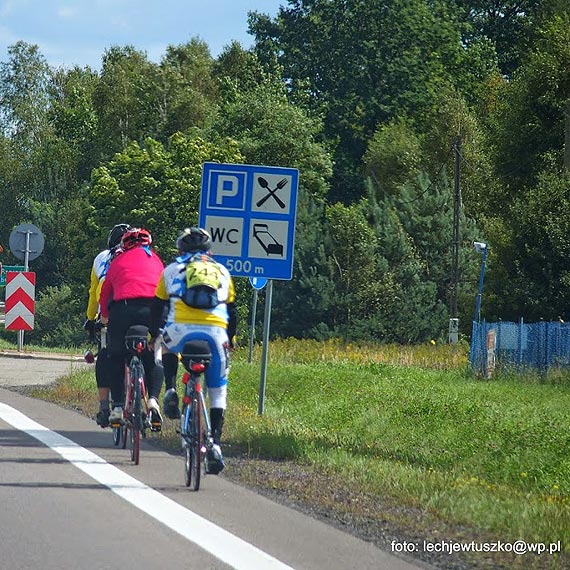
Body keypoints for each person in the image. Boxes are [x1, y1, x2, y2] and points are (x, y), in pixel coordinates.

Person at [150, 227, 237, 474]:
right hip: (215, 333)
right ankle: (216, 444)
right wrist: (229, 340)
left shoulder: (172, 269)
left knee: (164, 345)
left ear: (181, 249)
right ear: (209, 250)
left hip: (180, 331)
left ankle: (170, 388)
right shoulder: (222, 271)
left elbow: (157, 307)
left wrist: (155, 333)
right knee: (219, 390)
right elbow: (233, 313)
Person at [99, 227, 165, 430]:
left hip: (123, 309)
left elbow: (105, 292)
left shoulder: (118, 261)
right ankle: (153, 400)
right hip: (153, 310)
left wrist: (104, 319)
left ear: (124, 245)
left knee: (115, 355)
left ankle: (118, 407)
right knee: (154, 353)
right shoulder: (156, 260)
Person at [83, 223, 131, 427]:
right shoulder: (143, 256)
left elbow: (94, 293)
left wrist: (90, 317)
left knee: (104, 354)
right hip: (140, 308)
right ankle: (145, 397)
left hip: (109, 309)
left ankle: (104, 407)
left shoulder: (102, 258)